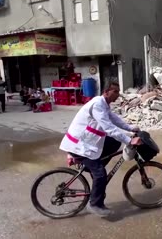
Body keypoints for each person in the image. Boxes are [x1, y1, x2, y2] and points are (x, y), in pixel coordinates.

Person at [60, 82, 142, 216]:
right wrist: (129, 140)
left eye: (118, 92)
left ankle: (95, 171)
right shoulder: (97, 104)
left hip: (87, 142)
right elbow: (108, 128)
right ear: (106, 91)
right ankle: (95, 204)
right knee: (101, 173)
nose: (117, 94)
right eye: (115, 91)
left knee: (115, 142)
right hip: (79, 145)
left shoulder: (104, 105)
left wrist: (130, 128)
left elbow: (114, 119)